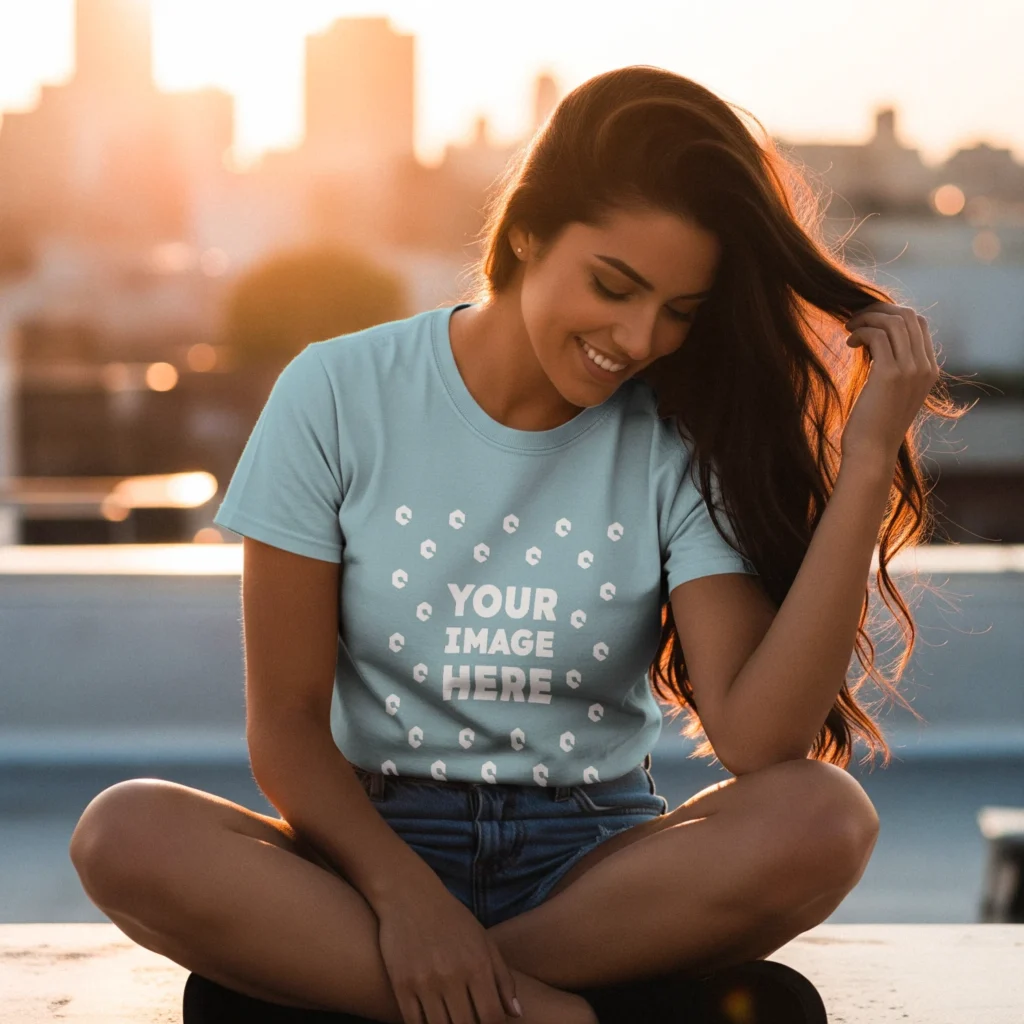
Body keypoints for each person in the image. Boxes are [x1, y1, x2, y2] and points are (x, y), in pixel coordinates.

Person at [70, 65, 960, 1024]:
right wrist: (406, 902)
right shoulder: (335, 392)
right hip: (371, 848)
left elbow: (757, 740)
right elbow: (284, 724)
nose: (637, 337)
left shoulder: (675, 437)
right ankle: (554, 1014)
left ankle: (386, 993)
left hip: (589, 867)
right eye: (613, 286)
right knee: (125, 832)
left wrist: (869, 467)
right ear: (529, 229)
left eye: (678, 312)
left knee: (826, 818)